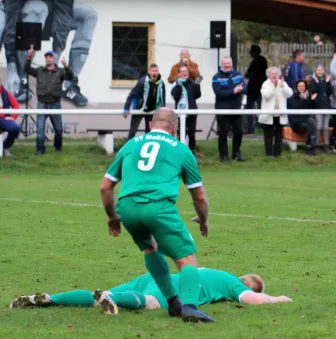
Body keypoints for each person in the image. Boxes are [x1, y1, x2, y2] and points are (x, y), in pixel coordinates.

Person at [99, 108, 213, 324]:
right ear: (174, 127)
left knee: (150, 248)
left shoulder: (131, 144)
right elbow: (199, 196)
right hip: (158, 206)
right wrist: (204, 219)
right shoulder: (181, 149)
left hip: (127, 207)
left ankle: (173, 303)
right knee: (186, 257)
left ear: (151, 125)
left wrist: (113, 216)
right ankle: (190, 307)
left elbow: (105, 187)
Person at [10, 266, 292, 314]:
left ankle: (50, 298)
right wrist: (277, 298)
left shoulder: (211, 272)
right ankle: (111, 298)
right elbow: (253, 298)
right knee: (151, 304)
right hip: (170, 286)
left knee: (98, 297)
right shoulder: (233, 284)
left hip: (155, 275)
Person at [24, 47, 73, 155]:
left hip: (55, 104)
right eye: (46, 57)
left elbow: (70, 77)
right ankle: (40, 149)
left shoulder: (60, 71)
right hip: (42, 104)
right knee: (40, 129)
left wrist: (66, 66)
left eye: (50, 57)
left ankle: (58, 147)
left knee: (59, 129)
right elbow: (27, 69)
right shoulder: (40, 70)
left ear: (54, 59)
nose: (48, 59)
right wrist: (29, 57)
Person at [212, 56, 247, 162]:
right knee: (223, 133)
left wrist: (241, 88)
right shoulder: (216, 77)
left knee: (239, 131)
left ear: (232, 64)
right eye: (225, 63)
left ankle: (236, 153)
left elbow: (245, 87)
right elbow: (219, 93)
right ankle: (223, 155)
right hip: (223, 109)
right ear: (221, 65)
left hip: (236, 108)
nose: (227, 65)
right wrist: (233, 91)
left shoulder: (238, 75)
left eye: (229, 63)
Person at [123, 64, 166, 141]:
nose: (154, 73)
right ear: (149, 72)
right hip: (139, 109)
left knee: (149, 132)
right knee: (133, 131)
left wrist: (163, 111)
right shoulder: (142, 82)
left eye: (156, 71)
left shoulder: (161, 84)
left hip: (152, 110)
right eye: (153, 71)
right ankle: (128, 149)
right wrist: (126, 108)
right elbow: (132, 94)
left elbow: (162, 98)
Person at [258, 67, 293, 157]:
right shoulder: (265, 84)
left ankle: (278, 153)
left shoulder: (283, 83)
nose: (274, 75)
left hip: (280, 114)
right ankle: (269, 153)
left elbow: (289, 94)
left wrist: (282, 87)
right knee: (268, 135)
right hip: (269, 115)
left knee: (279, 134)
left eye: (276, 74)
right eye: (272, 74)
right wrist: (274, 87)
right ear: (268, 75)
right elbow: (266, 96)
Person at [171, 64, 201, 153]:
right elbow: (175, 97)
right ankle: (180, 153)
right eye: (182, 71)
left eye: (186, 71)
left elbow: (197, 95)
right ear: (179, 73)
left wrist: (197, 84)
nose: (185, 73)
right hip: (180, 113)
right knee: (181, 133)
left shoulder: (192, 83)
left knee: (192, 134)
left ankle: (192, 153)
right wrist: (179, 86)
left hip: (191, 112)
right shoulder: (175, 84)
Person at [288, 80, 319, 155]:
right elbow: (296, 107)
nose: (302, 88)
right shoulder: (293, 97)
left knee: (311, 122)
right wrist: (303, 99)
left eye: (303, 86)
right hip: (296, 123)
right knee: (308, 124)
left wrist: (312, 100)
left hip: (306, 121)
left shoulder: (307, 96)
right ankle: (312, 145)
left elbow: (312, 109)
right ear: (296, 87)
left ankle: (311, 145)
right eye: (300, 86)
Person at [244, 45, 268, 134]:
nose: (250, 52)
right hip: (253, 89)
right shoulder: (255, 61)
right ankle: (252, 128)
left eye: (251, 51)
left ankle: (261, 127)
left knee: (261, 108)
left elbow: (248, 74)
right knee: (250, 108)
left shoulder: (260, 61)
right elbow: (247, 74)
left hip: (259, 88)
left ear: (255, 52)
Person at [309, 64, 333, 151]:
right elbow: (315, 90)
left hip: (326, 106)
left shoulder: (326, 80)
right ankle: (317, 145)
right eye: (318, 69)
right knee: (318, 126)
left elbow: (330, 91)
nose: (320, 71)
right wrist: (324, 83)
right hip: (317, 106)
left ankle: (326, 145)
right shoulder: (313, 81)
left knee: (326, 127)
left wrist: (327, 83)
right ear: (316, 71)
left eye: (322, 70)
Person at [0, 81, 20, 157]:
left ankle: (5, 146)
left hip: (4, 119)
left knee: (15, 128)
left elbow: (16, 106)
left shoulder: (6, 93)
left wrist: (13, 117)